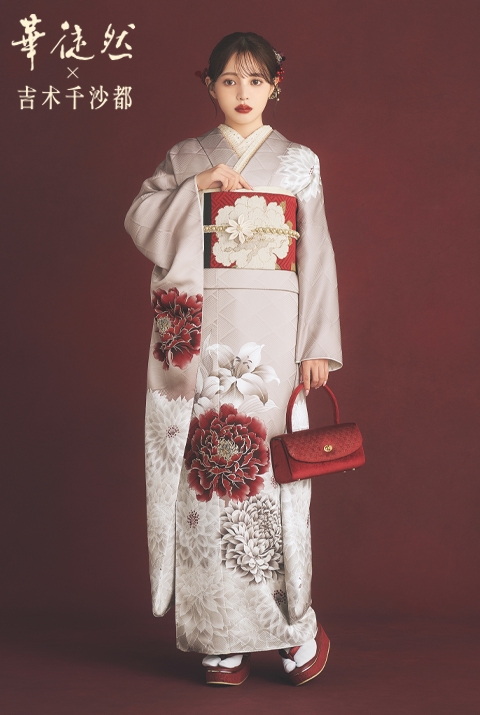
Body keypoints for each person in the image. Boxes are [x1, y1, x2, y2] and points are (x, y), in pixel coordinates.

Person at [124, 31, 342, 686]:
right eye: (228, 80)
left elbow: (317, 254)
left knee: (273, 476)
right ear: (210, 85)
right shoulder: (185, 155)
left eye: (255, 79)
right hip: (205, 333)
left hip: (275, 332)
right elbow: (140, 218)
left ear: (276, 84)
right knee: (207, 478)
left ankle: (292, 629)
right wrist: (198, 186)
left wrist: (317, 344)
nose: (242, 92)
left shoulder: (299, 163)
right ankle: (219, 638)